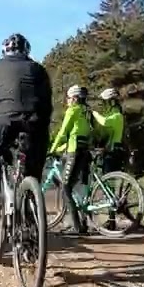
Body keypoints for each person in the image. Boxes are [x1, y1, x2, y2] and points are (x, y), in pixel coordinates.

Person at [0, 33, 54, 220]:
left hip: (3, 120)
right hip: (35, 121)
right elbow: (47, 103)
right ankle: (31, 198)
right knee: (33, 167)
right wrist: (43, 127)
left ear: (4, 50)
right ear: (26, 50)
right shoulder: (38, 69)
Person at [49, 85, 97, 234]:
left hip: (74, 151)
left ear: (75, 98)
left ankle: (77, 227)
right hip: (85, 151)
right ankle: (82, 222)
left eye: (69, 98)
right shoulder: (88, 111)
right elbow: (85, 131)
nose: (67, 101)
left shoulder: (73, 110)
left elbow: (63, 132)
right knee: (80, 187)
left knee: (65, 187)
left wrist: (51, 149)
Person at [92, 87, 127, 173]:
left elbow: (104, 122)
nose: (103, 104)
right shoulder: (110, 114)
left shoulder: (117, 115)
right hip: (108, 149)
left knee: (108, 178)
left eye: (105, 101)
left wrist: (94, 113)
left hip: (114, 149)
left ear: (112, 102)